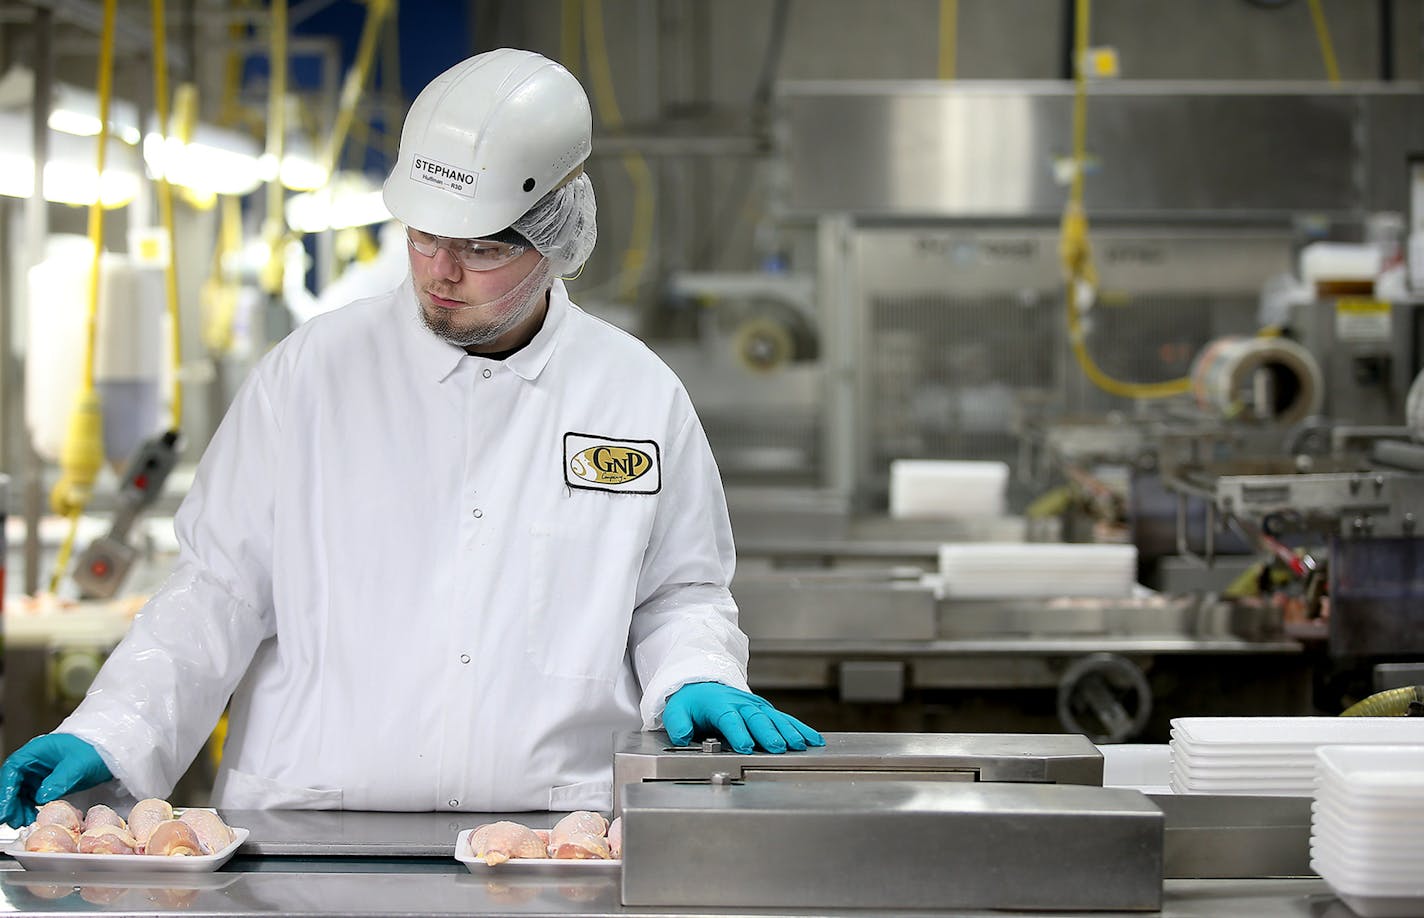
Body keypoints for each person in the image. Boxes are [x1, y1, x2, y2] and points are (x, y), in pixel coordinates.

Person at [0, 48, 821, 826]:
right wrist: (111, 728)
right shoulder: (310, 377)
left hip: (551, 839)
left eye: (482, 247)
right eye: (424, 235)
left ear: (557, 236)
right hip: (309, 834)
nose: (440, 272)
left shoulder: (636, 396)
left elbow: (676, 594)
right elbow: (217, 590)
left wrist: (696, 672)